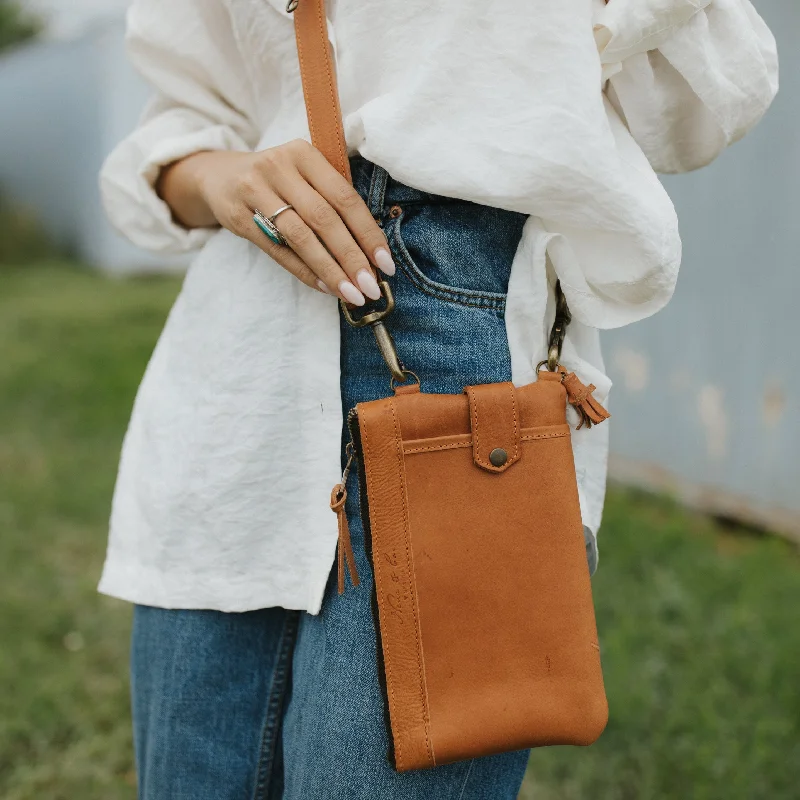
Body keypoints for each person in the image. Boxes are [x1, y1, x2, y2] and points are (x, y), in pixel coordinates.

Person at [98, 0, 778, 797]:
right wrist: (224, 178)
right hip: (239, 364)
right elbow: (183, 118)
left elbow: (708, 103)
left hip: (455, 330)